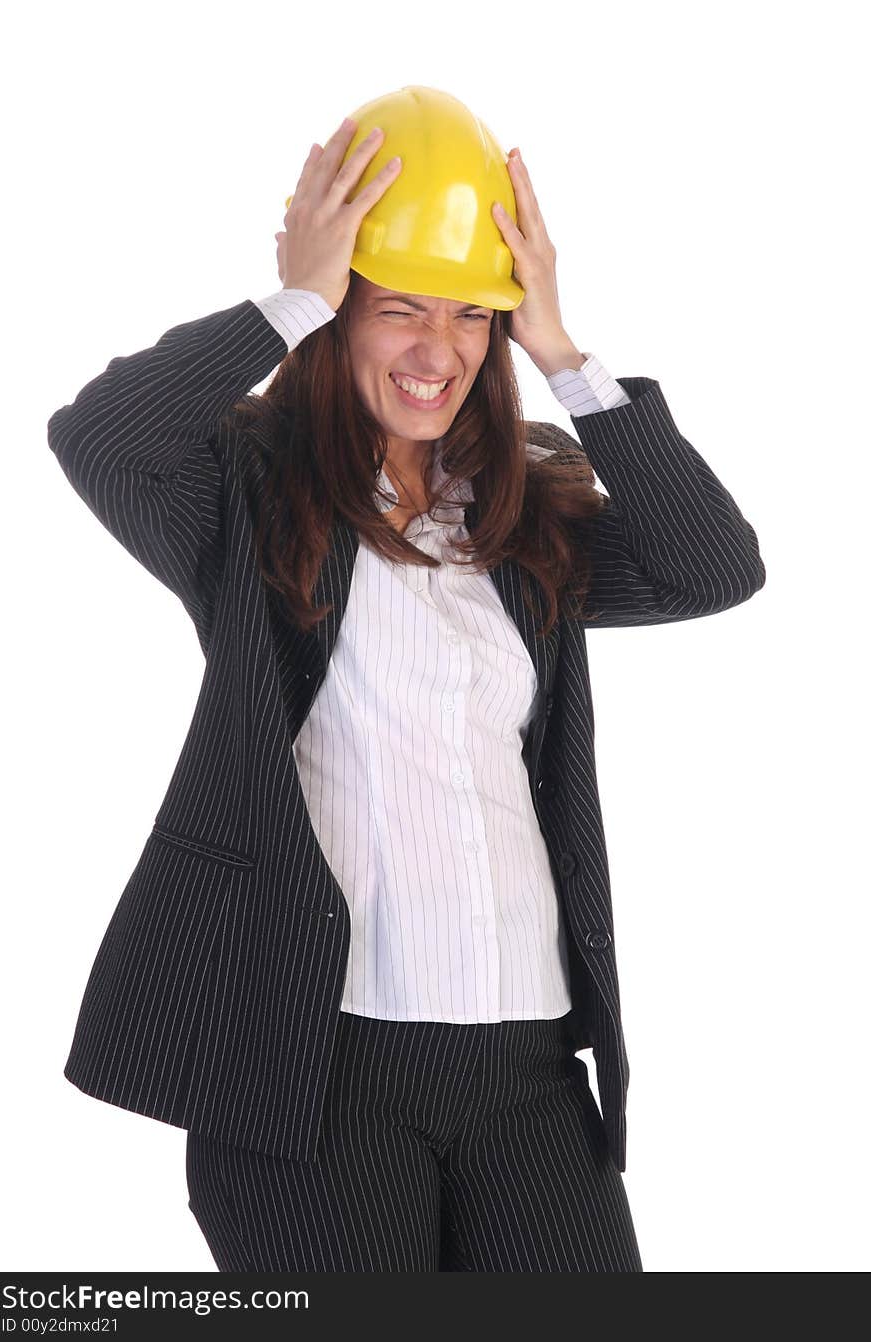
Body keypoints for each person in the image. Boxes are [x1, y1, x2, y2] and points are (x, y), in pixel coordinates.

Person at [47, 86, 766, 1273]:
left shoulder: (524, 514)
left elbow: (713, 569)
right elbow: (103, 437)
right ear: (338, 317)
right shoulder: (245, 495)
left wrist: (557, 347)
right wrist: (292, 296)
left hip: (527, 1072)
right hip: (312, 1073)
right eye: (395, 310)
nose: (440, 351)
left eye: (469, 316)